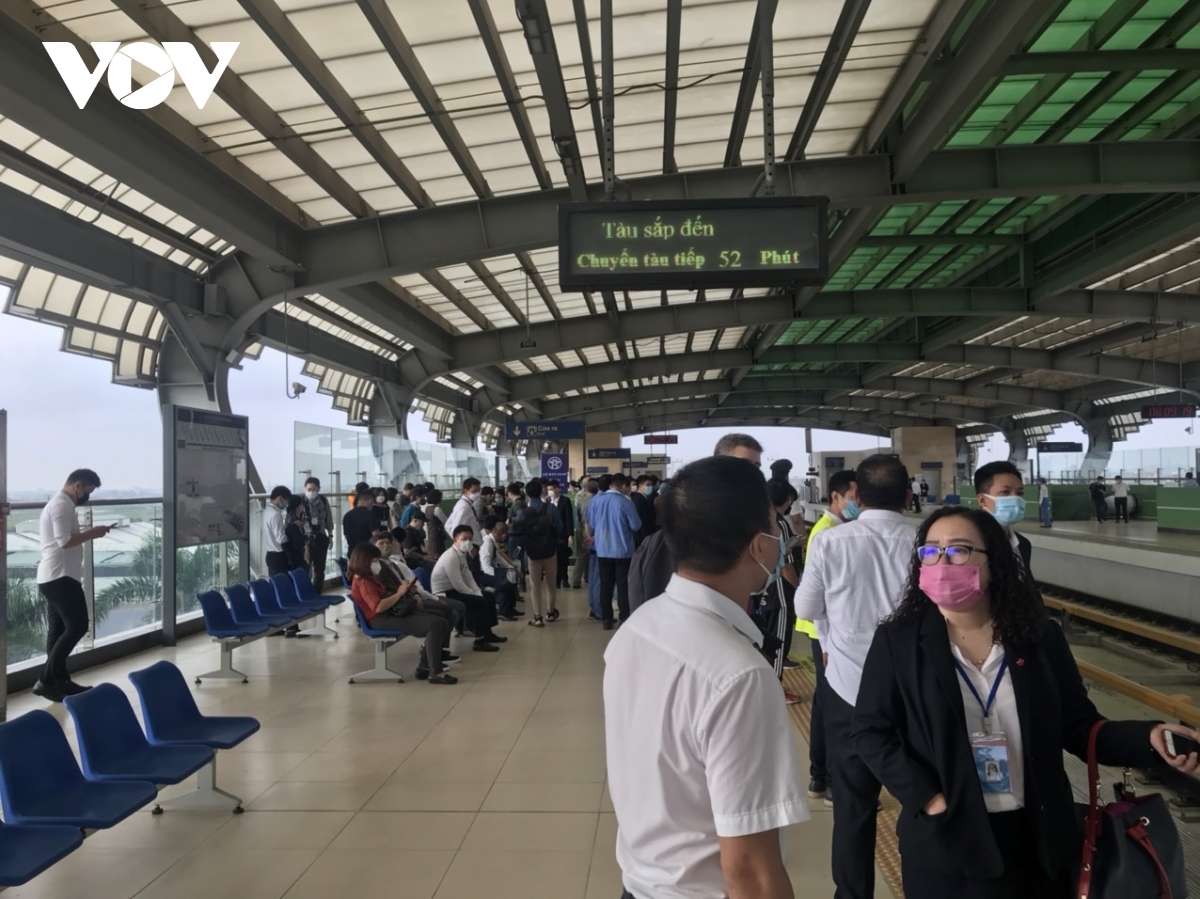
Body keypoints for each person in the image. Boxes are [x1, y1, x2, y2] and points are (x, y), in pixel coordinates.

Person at [851, 506, 1200, 898]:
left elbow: (1080, 726)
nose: (942, 562)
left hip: (1039, 839)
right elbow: (870, 730)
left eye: (959, 550)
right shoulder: (899, 642)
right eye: (931, 552)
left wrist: (1149, 737)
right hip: (949, 838)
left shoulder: (1038, 639)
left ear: (994, 562)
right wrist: (927, 798)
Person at [604, 455, 810, 899]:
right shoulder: (740, 675)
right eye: (776, 526)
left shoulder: (638, 627)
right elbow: (749, 869)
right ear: (759, 546)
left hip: (639, 883)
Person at [794, 454, 916, 899]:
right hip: (915, 693)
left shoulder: (831, 542)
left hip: (849, 690)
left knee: (853, 808)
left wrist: (836, 626)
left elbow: (805, 609)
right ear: (908, 495)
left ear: (856, 496)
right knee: (924, 798)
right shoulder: (925, 541)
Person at [627, 433, 764, 614]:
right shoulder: (691, 519)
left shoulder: (754, 519)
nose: (753, 474)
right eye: (745, 465)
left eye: (757, 466)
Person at [796, 468, 859, 804]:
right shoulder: (827, 533)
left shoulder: (836, 529)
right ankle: (831, 780)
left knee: (825, 704)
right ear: (836, 496)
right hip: (825, 632)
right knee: (833, 708)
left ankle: (821, 777)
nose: (858, 503)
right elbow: (816, 597)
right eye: (854, 497)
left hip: (825, 630)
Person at [33, 468, 113, 701]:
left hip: (56, 577)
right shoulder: (60, 506)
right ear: (78, 485)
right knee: (77, 626)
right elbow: (64, 541)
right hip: (60, 578)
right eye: (87, 490)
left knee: (57, 632)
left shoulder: (63, 505)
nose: (87, 495)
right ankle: (47, 679)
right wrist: (93, 532)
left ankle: (60, 681)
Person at [347, 544, 456, 684]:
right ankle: (436, 672)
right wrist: (399, 593)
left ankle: (425, 665)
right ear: (364, 560)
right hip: (379, 619)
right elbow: (378, 607)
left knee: (440, 619)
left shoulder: (369, 577)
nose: (377, 563)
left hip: (388, 613)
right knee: (435, 624)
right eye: (374, 560)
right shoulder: (364, 582)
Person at [373, 531, 462, 666]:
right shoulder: (377, 569)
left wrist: (414, 594)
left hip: (407, 600)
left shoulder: (392, 564)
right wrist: (414, 596)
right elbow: (390, 594)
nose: (386, 546)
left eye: (388, 543)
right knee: (440, 617)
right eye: (381, 544)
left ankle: (435, 653)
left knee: (446, 612)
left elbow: (406, 586)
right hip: (396, 609)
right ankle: (431, 659)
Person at [431, 525, 506, 653]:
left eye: (470, 539)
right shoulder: (451, 556)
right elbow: (458, 584)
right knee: (479, 601)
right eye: (464, 538)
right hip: (444, 593)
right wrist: (475, 595)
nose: (468, 542)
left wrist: (477, 591)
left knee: (488, 596)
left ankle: (488, 633)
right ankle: (480, 640)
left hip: (454, 590)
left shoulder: (461, 554)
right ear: (455, 539)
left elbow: (468, 576)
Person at [584, 473, 641, 631]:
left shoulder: (596, 502)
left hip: (602, 550)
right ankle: (624, 617)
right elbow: (636, 525)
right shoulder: (626, 502)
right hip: (622, 550)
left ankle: (607, 619)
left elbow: (592, 523)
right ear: (623, 485)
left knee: (605, 585)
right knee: (623, 586)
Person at [512, 478, 563, 627]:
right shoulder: (551, 508)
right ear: (541, 491)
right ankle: (550, 612)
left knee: (535, 585)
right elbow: (560, 528)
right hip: (550, 551)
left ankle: (537, 617)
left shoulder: (523, 513)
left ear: (526, 494)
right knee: (551, 583)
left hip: (532, 553)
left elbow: (518, 529)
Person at [974, 462, 1033, 579]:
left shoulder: (1023, 545)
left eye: (1020, 493)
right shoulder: (969, 545)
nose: (1015, 499)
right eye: (1005, 492)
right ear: (982, 500)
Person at [480, 517, 522, 620]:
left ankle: (510, 608)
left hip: (490, 571)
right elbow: (486, 567)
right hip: (482, 574)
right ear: (503, 535)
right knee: (505, 580)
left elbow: (498, 558)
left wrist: (511, 567)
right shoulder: (487, 543)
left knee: (511, 575)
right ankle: (503, 611)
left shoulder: (492, 540)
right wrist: (501, 574)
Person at [301, 477, 334, 589]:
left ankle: (317, 593)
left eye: (314, 489)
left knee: (320, 569)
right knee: (306, 568)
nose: (311, 492)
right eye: (309, 489)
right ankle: (306, 593)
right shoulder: (301, 501)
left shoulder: (323, 501)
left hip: (320, 537)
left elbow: (328, 519)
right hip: (306, 539)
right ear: (305, 488)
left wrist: (330, 535)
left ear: (318, 489)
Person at [570, 479, 598, 591]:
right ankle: (581, 579)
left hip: (582, 529)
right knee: (588, 555)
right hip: (593, 531)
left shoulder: (581, 500)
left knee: (582, 555)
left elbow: (577, 516)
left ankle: (578, 579)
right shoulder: (598, 501)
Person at [547, 479, 574, 589]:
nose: (550, 491)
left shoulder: (565, 501)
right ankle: (556, 580)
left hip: (562, 534)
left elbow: (569, 518)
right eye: (548, 489)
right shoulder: (548, 502)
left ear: (558, 489)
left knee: (563, 557)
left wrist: (570, 534)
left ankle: (564, 578)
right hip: (551, 535)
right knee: (554, 558)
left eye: (551, 489)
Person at [446, 478, 484, 549]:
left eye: (479, 490)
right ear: (466, 491)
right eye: (474, 491)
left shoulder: (464, 504)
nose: (477, 493)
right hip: (472, 546)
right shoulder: (464, 507)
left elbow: (448, 525)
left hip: (474, 543)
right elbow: (455, 529)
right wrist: (464, 544)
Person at [263, 486, 291, 576]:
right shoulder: (276, 514)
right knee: (283, 584)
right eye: (286, 500)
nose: (286, 503)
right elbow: (280, 538)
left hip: (269, 555)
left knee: (275, 583)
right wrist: (290, 536)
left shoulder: (266, 511)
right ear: (280, 498)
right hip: (278, 556)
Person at [343, 487, 377, 556]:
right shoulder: (370, 514)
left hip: (352, 552)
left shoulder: (347, 515)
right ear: (370, 501)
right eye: (373, 502)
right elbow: (375, 534)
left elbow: (346, 536)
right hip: (367, 552)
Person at [283, 496, 308, 572]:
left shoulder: (290, 517)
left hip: (292, 556)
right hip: (295, 556)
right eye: (301, 505)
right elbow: (298, 541)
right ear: (298, 506)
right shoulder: (294, 521)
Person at [630, 475, 656, 549]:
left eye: (651, 485)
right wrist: (645, 537)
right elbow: (641, 519)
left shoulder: (642, 498)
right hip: (641, 537)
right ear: (640, 486)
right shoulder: (639, 499)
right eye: (647, 485)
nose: (650, 487)